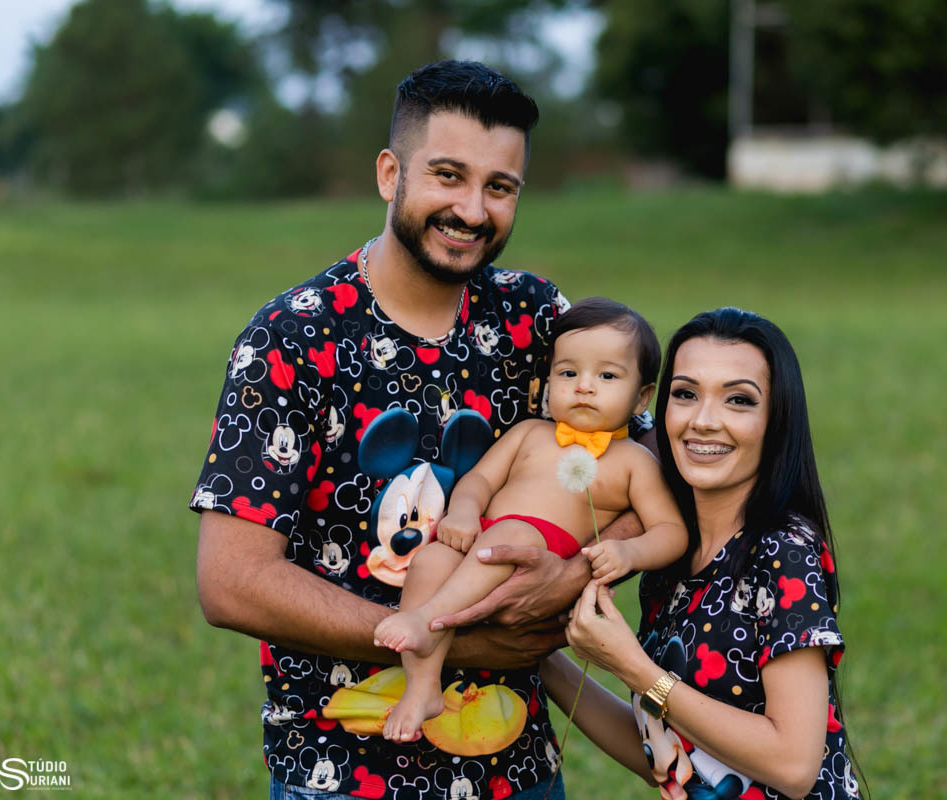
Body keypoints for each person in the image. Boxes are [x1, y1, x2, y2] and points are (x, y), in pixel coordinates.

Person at [191, 60, 646, 800]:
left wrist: (570, 575)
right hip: (339, 773)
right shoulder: (293, 338)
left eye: (500, 188)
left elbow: (647, 464)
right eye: (447, 175)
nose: (473, 209)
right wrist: (450, 633)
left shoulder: (538, 322)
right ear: (388, 174)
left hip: (516, 768)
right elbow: (232, 582)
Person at [540, 308, 864, 800]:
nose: (704, 421)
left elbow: (795, 765)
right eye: (686, 394)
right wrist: (538, 656)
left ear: (775, 420)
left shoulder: (783, 550)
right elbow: (666, 752)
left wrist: (636, 669)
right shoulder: (669, 558)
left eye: (738, 400)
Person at [374, 298, 689, 742]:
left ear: (641, 396)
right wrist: (463, 510)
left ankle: (425, 620)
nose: (584, 387)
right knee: (428, 563)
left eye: (607, 376)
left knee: (513, 533)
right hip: (485, 537)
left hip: (537, 552)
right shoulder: (529, 433)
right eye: (568, 373)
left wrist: (627, 550)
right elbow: (480, 479)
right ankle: (423, 688)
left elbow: (672, 531)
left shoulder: (634, 462)